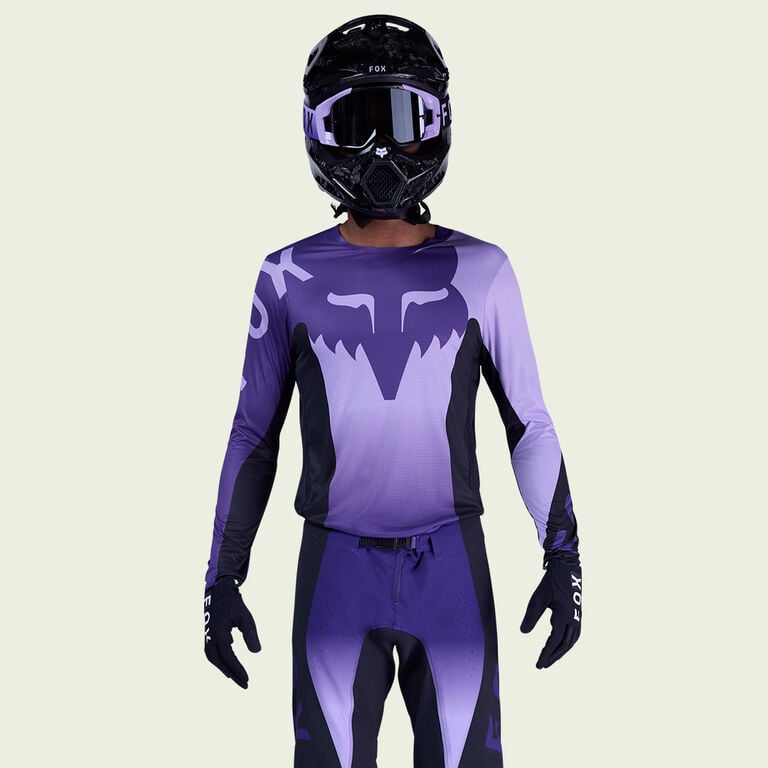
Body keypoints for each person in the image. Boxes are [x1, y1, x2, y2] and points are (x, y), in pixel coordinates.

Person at [203, 14, 582, 768]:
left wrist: (564, 559)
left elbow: (529, 424)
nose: (381, 149)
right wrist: (222, 577)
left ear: (437, 124)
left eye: (404, 120)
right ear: (318, 131)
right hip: (350, 571)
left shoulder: (484, 271)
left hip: (431, 568)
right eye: (356, 123)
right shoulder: (285, 278)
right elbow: (254, 434)